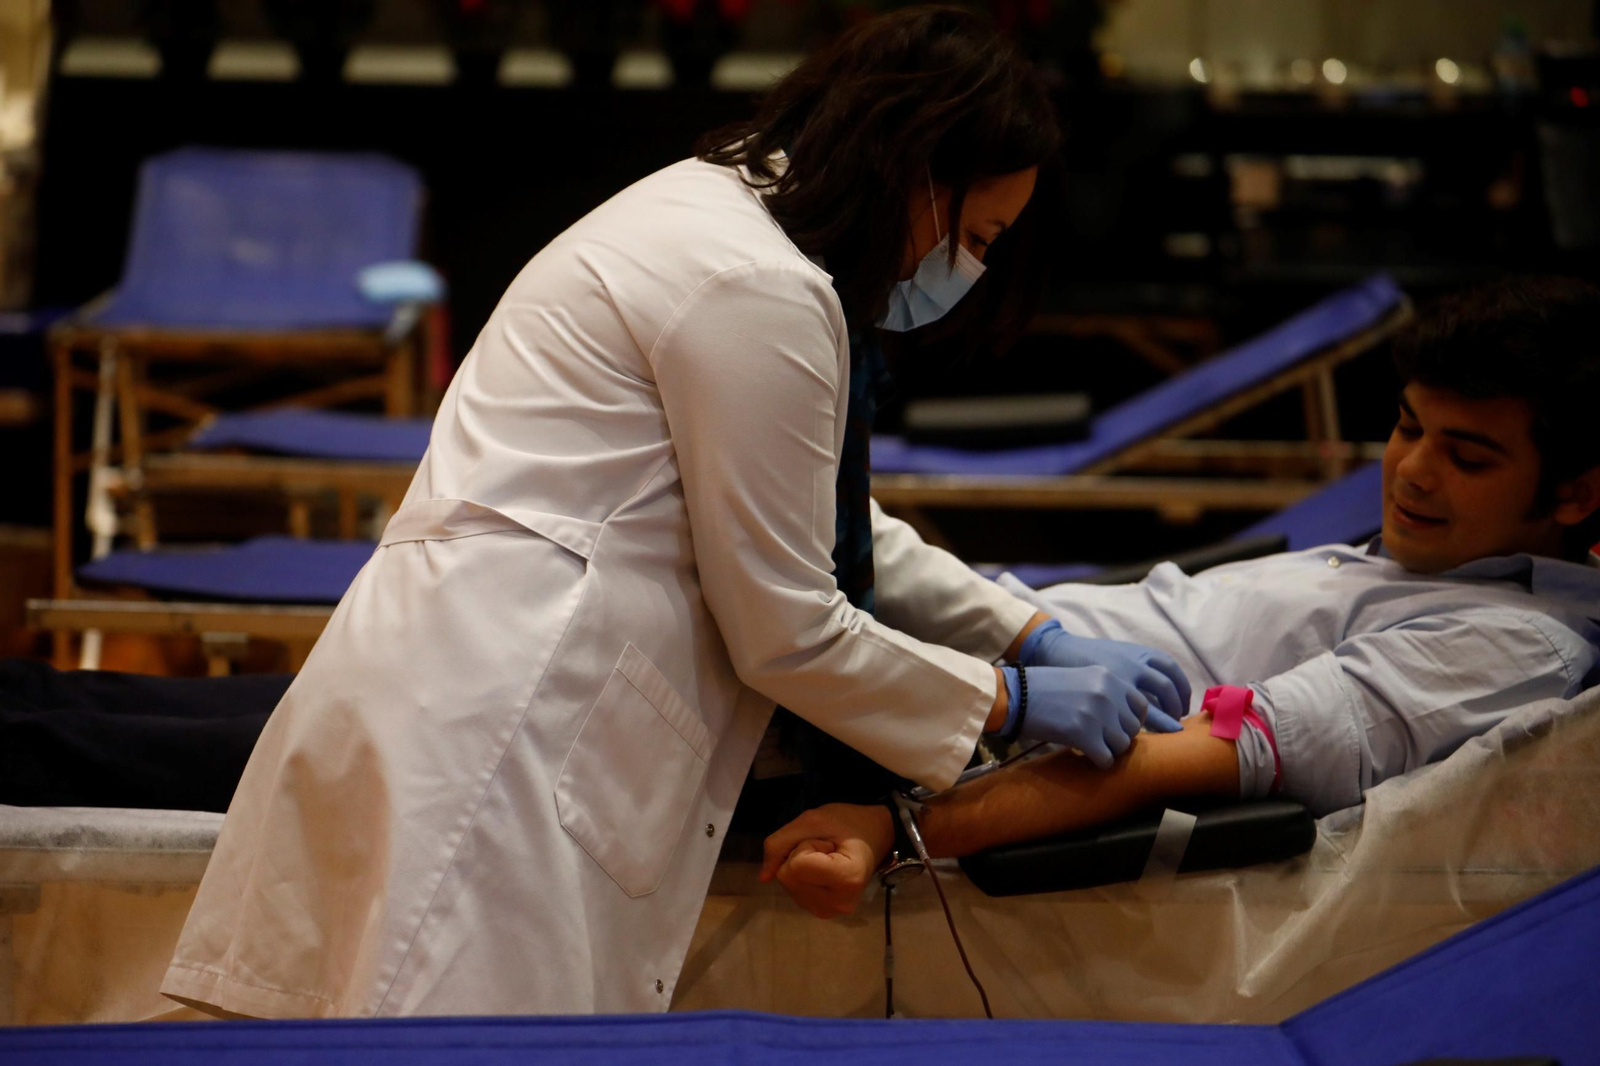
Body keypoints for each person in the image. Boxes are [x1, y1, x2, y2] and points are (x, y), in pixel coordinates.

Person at [159, 7, 1190, 1020]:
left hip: (461, 685)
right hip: (502, 722)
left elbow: (817, 517)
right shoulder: (758, 285)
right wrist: (1007, 697)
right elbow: (789, 628)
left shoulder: (719, 214)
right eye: (971, 234)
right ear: (914, 168)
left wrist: (1029, 629)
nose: (963, 270)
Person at [759, 275, 1600, 920]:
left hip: (921, 720)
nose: (1413, 470)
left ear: (1574, 494)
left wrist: (898, 830)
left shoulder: (1513, 642)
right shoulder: (1432, 558)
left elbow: (1196, 750)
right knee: (752, 496)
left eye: (1469, 457)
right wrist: (1034, 640)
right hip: (981, 641)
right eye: (1409, 427)